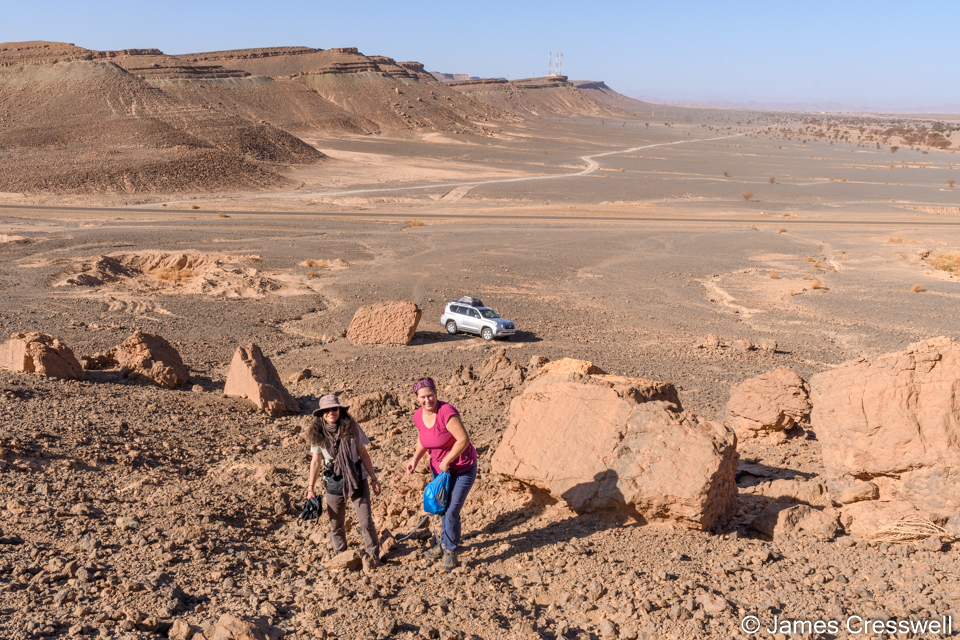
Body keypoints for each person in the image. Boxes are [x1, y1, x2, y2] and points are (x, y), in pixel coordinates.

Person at [405, 377, 478, 571]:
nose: (427, 400)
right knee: (442, 508)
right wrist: (415, 458)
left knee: (451, 511)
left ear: (436, 393)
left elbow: (463, 439)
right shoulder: (418, 416)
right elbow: (424, 438)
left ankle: (450, 551)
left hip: (462, 468)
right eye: (422, 397)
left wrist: (447, 460)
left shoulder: (446, 412)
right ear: (416, 398)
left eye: (430, 395)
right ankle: (445, 542)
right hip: (439, 471)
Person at [305, 394, 382, 569]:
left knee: (365, 522)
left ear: (340, 410)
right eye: (326, 410)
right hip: (333, 480)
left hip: (356, 477)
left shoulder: (352, 427)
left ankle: (373, 558)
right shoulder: (318, 433)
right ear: (321, 414)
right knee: (336, 524)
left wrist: (374, 478)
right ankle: (341, 558)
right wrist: (310, 488)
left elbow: (363, 454)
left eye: (334, 408)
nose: (331, 412)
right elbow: (316, 461)